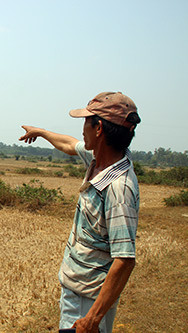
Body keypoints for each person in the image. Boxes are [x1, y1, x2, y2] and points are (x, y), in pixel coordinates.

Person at [19, 92, 141, 333]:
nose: (82, 129)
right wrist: (41, 132)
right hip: (77, 288)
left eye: (86, 121)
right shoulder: (99, 159)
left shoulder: (119, 187)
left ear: (98, 130)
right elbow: (68, 144)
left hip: (89, 297)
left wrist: (92, 319)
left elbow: (125, 260)